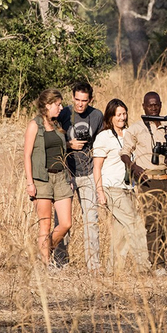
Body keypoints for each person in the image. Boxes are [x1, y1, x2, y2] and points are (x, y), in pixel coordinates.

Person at [91, 98, 148, 273]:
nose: (122, 118)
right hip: (111, 187)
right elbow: (97, 167)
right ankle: (145, 266)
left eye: (124, 114)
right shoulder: (104, 137)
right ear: (110, 117)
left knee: (120, 230)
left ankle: (113, 270)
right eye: (118, 115)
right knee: (135, 223)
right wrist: (100, 191)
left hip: (128, 187)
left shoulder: (130, 134)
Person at [129, 90, 167, 274]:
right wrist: (134, 167)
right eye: (150, 105)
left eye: (156, 104)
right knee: (153, 222)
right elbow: (124, 153)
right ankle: (158, 263)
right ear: (143, 106)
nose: (153, 108)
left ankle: (157, 253)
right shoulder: (136, 128)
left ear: (161, 105)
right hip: (147, 180)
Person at [55, 80, 104, 270]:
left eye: (84, 100)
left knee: (91, 221)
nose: (80, 104)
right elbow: (52, 140)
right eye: (77, 99)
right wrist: (68, 145)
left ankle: (93, 265)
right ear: (72, 97)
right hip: (66, 174)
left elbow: (102, 142)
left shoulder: (97, 115)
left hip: (88, 173)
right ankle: (60, 262)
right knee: (62, 221)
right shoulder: (64, 113)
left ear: (90, 100)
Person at [22, 88, 73, 266]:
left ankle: (44, 250)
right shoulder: (34, 125)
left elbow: (60, 151)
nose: (61, 108)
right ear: (48, 105)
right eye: (58, 105)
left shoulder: (58, 125)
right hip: (42, 179)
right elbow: (27, 155)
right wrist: (30, 182)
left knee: (66, 223)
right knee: (45, 224)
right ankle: (45, 265)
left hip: (61, 178)